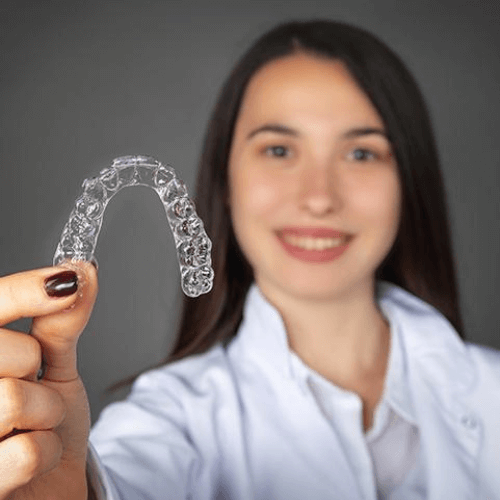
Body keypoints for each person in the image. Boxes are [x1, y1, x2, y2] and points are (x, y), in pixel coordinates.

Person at [1, 19, 499, 500]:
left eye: (361, 153)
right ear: (226, 180)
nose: (318, 197)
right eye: (279, 150)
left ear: (409, 182)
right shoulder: (171, 419)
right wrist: (70, 490)